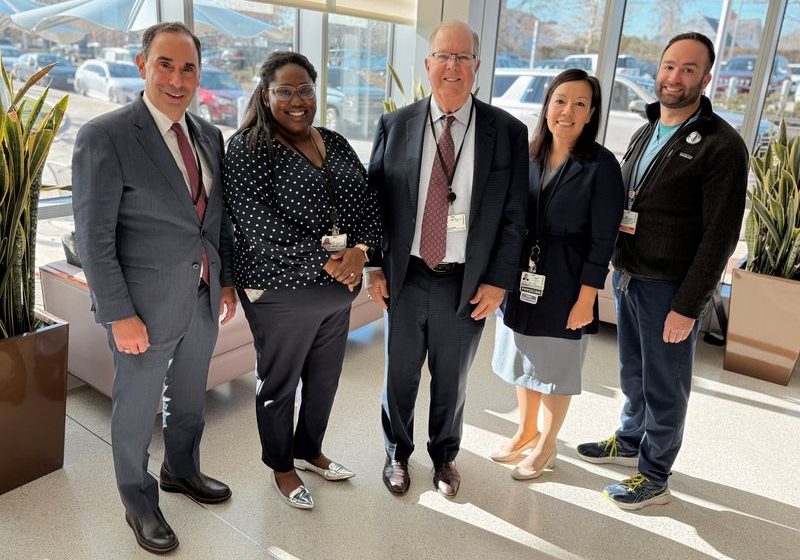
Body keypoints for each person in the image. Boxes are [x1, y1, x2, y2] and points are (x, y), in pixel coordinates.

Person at [72, 22, 237, 554]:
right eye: (165, 64)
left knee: (189, 397)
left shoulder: (208, 135)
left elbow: (215, 221)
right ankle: (138, 502)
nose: (177, 79)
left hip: (202, 296)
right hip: (140, 309)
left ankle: (181, 470)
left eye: (188, 68)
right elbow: (94, 237)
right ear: (142, 65)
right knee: (136, 410)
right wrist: (118, 313)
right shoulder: (106, 136)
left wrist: (225, 282)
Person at [576, 32, 748, 510]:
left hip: (670, 289)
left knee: (665, 385)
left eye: (688, 69)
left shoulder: (722, 145)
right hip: (629, 275)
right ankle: (630, 439)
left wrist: (688, 306)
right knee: (633, 372)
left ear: (706, 79)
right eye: (669, 66)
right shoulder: (647, 128)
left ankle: (655, 475)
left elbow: (720, 237)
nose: (675, 77)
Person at [367, 20, 528, 498]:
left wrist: (498, 281)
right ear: (428, 64)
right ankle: (397, 453)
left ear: (477, 65)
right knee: (399, 375)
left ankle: (444, 457)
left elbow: (515, 215)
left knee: (452, 381)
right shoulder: (396, 125)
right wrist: (374, 266)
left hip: (466, 283)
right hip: (407, 276)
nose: (452, 66)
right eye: (443, 56)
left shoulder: (508, 132)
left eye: (462, 57)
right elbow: (373, 202)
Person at [223, 51, 381, 510]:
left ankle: (310, 450)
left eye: (306, 90)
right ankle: (281, 466)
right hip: (280, 291)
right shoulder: (249, 147)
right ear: (265, 95)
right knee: (279, 384)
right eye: (285, 91)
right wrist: (327, 261)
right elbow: (256, 224)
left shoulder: (334, 141)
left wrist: (361, 251)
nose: (297, 100)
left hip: (337, 292)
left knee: (324, 379)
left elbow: (369, 202)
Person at [490, 69, 624, 480]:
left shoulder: (601, 166)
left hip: (567, 281)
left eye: (579, 104)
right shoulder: (527, 155)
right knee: (523, 354)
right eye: (560, 100)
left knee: (556, 366)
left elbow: (603, 239)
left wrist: (587, 298)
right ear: (547, 104)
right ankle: (526, 430)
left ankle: (547, 445)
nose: (567, 111)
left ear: (591, 113)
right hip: (522, 275)